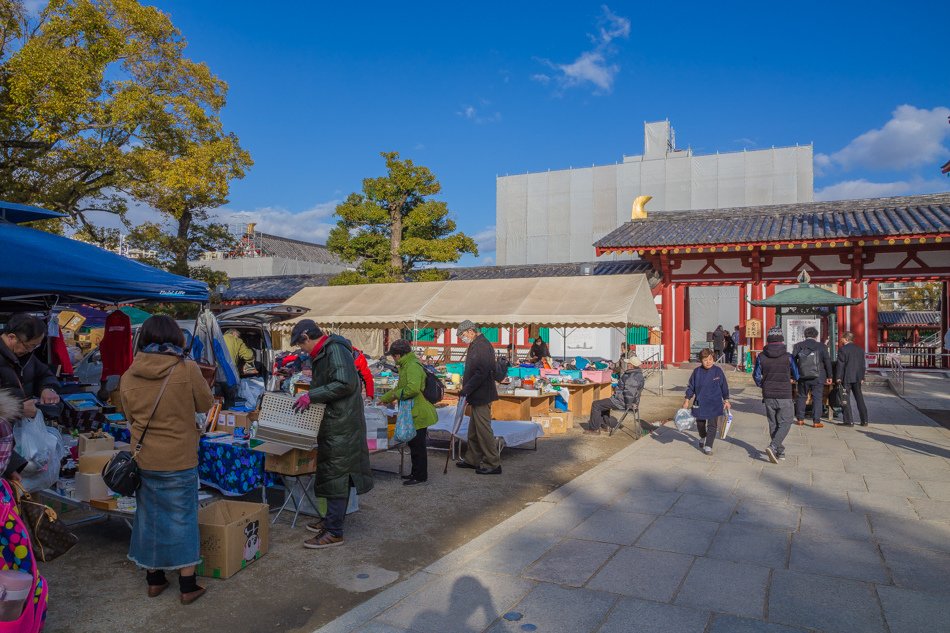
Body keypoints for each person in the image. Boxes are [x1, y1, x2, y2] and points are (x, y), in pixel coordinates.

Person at [120, 315, 214, 605]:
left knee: (148, 518)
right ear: (176, 339)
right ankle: (188, 585)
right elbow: (206, 404)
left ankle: (155, 580)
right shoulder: (186, 368)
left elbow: (129, 417)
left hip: (145, 457)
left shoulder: (129, 374)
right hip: (180, 457)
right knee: (183, 518)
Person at [290, 320, 374, 548]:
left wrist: (312, 395)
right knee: (331, 472)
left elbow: (345, 383)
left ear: (307, 337)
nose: (301, 350)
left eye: (300, 344)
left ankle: (334, 531)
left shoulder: (334, 349)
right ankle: (330, 522)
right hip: (336, 420)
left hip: (342, 423)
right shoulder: (328, 351)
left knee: (337, 473)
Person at [0, 314, 61, 481]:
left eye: (35, 346)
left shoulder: (25, 357)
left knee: (21, 494)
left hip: (14, 441)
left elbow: (44, 373)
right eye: (29, 346)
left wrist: (47, 388)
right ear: (12, 337)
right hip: (5, 446)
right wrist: (19, 408)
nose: (31, 350)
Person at [378, 339, 437, 486]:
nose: (393, 358)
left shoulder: (412, 366)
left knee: (418, 446)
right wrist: (384, 399)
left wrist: (396, 396)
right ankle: (415, 472)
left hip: (418, 411)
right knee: (413, 444)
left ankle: (420, 475)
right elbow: (399, 387)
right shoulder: (406, 365)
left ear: (398, 355)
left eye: (393, 355)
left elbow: (413, 389)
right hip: (412, 410)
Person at [455, 320, 501, 475]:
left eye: (462, 335)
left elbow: (481, 372)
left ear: (470, 331)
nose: (462, 338)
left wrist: (466, 389)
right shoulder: (477, 344)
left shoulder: (481, 345)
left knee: (483, 430)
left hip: (482, 394)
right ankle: (472, 459)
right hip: (477, 393)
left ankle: (493, 462)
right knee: (474, 430)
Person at [753, 327, 800, 463]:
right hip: (784, 393)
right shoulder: (788, 357)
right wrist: (792, 378)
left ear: (768, 340)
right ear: (781, 340)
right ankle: (773, 446)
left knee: (773, 423)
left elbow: (756, 376)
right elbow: (796, 374)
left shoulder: (761, 356)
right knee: (786, 421)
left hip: (768, 394)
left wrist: (763, 385)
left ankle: (779, 451)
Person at [683, 349, 730, 454]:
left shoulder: (718, 371)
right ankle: (703, 436)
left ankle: (708, 446)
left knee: (712, 425)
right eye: (705, 360)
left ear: (713, 359)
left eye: (710, 359)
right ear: (701, 361)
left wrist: (726, 399)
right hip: (700, 402)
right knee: (700, 423)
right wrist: (687, 400)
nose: (708, 362)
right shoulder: (697, 372)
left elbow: (724, 386)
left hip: (715, 403)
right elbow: (691, 387)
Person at [586, 354, 645, 434]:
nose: (627, 365)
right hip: (622, 400)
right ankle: (605, 426)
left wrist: (629, 406)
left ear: (631, 365)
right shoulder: (637, 374)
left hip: (622, 402)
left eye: (628, 363)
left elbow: (629, 393)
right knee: (604, 404)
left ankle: (594, 429)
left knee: (596, 404)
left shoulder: (632, 377)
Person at [792, 326, 833, 428]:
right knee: (817, 398)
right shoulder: (822, 346)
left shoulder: (798, 346)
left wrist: (793, 375)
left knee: (801, 397)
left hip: (802, 376)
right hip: (818, 376)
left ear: (805, 335)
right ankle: (816, 421)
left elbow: (792, 362)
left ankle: (800, 419)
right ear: (816, 335)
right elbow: (827, 362)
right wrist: (829, 376)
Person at [835, 331, 868, 427]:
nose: (840, 339)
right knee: (859, 398)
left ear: (846, 339)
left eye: (842, 338)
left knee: (845, 398)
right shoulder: (860, 349)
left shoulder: (843, 350)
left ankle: (849, 421)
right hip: (857, 377)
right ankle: (864, 420)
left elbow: (840, 365)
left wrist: (838, 377)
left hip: (847, 377)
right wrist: (862, 377)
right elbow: (863, 365)